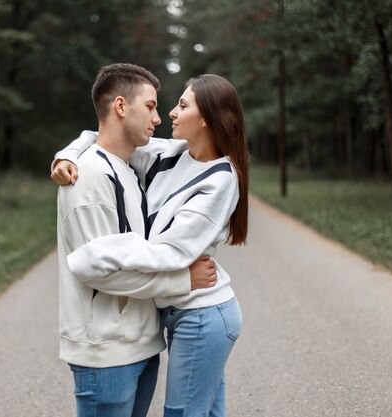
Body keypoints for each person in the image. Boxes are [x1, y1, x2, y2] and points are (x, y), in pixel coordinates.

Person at [52, 74, 249, 417]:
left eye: (182, 105)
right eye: (162, 106)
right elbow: (100, 137)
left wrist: (102, 252)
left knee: (184, 413)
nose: (169, 113)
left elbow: (172, 253)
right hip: (175, 311)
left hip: (202, 313)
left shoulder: (221, 179)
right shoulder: (167, 154)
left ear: (207, 119)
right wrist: (65, 156)